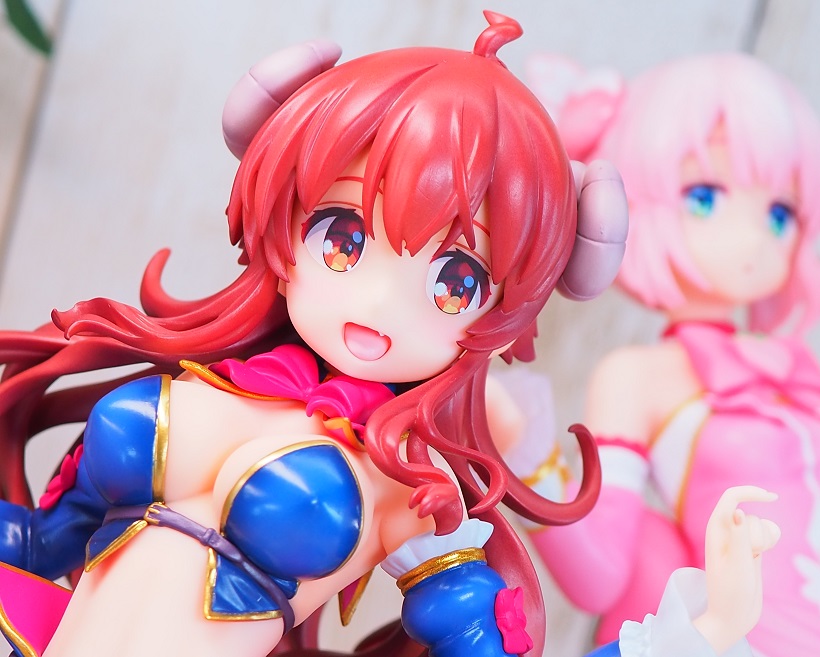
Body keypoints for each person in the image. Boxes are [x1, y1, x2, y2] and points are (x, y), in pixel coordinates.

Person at [0, 16, 775, 657]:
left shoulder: (410, 484)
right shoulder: (201, 377)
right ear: (286, 215)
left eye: (455, 281)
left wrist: (701, 631)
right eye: (342, 237)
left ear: (498, 313)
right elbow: (33, 548)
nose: (376, 301)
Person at [518, 52, 820, 657]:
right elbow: (601, 575)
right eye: (704, 197)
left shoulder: (794, 372)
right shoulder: (639, 377)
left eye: (779, 213)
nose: (752, 240)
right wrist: (527, 462)